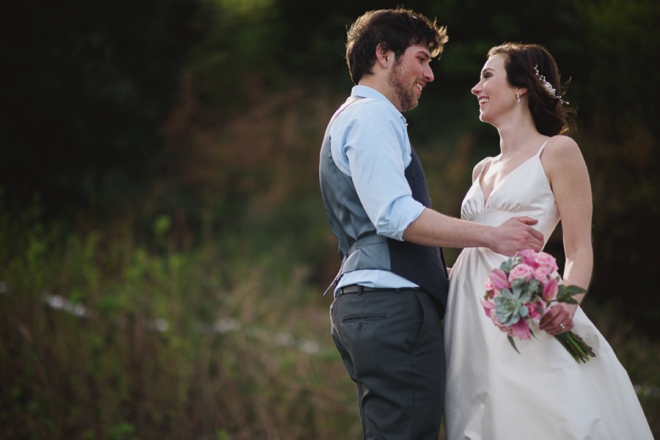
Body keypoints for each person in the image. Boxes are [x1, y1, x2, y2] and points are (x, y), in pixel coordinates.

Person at [319, 10, 545, 439]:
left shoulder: (355, 117)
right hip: (390, 310)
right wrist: (493, 235)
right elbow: (394, 215)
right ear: (384, 55)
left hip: (375, 305)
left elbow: (375, 223)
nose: (429, 74)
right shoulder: (371, 118)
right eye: (421, 59)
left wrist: (437, 271)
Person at [443, 42, 654, 439]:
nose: (476, 87)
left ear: (521, 86)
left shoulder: (558, 151)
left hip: (523, 316)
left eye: (487, 76)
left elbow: (578, 248)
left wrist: (568, 300)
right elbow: (475, 254)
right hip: (468, 323)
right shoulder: (481, 169)